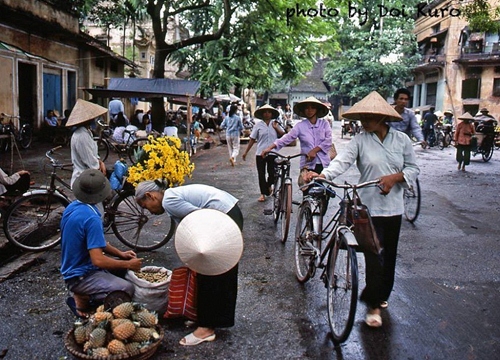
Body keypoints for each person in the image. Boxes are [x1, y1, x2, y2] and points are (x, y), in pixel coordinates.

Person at [303, 91, 420, 328]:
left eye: (369, 116)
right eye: (362, 117)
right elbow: (342, 160)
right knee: (373, 254)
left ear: (382, 117)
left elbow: (413, 169)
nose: (364, 121)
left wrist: (396, 177)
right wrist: (323, 174)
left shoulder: (402, 141)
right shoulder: (360, 140)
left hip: (394, 208)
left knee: (388, 257)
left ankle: (381, 294)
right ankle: (373, 304)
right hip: (368, 208)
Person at [134, 181, 243, 346]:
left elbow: (202, 219)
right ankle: (210, 319)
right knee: (217, 269)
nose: (149, 211)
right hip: (229, 210)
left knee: (211, 271)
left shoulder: (169, 201)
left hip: (224, 216)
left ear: (151, 196)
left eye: (146, 205)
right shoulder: (171, 196)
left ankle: (206, 328)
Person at [61, 169, 142, 317]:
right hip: (80, 276)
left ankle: (85, 295)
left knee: (123, 271)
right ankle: (84, 301)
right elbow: (98, 260)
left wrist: (120, 254)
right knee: (127, 288)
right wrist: (128, 264)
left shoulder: (72, 207)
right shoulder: (92, 218)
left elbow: (98, 242)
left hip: (74, 270)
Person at [262, 96, 332, 178]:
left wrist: (315, 151)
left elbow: (328, 141)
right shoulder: (300, 126)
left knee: (324, 189)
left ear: (317, 109)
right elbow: (286, 138)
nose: (310, 110)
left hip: (323, 164)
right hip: (307, 165)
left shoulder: (324, 124)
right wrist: (269, 148)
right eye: (307, 108)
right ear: (303, 110)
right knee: (306, 189)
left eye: (313, 108)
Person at [242, 104, 285, 202]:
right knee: (261, 174)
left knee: (272, 173)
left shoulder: (275, 123)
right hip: (260, 153)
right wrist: (246, 152)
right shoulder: (258, 125)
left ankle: (269, 185)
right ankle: (263, 193)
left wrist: (276, 128)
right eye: (265, 112)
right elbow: (252, 139)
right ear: (262, 114)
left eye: (269, 112)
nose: (267, 114)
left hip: (273, 152)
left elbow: (283, 134)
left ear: (272, 114)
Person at [66, 99, 107, 187]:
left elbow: (93, 154)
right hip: (84, 180)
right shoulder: (81, 136)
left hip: (88, 176)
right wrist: (100, 167)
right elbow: (91, 162)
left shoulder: (87, 132)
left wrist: (100, 162)